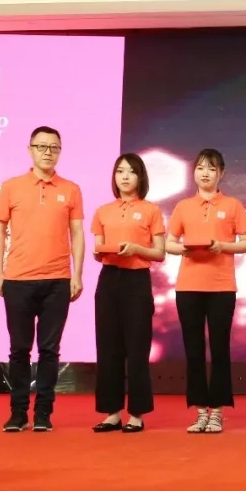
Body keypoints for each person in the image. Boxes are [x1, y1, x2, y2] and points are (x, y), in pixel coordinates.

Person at [0, 126, 85, 433]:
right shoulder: (11, 187)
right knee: (19, 349)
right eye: (42, 146)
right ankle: (18, 412)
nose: (48, 152)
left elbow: (77, 234)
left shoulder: (71, 189)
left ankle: (43, 412)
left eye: (54, 147)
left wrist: (77, 274)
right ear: (30, 149)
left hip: (57, 280)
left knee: (49, 350)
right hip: (18, 280)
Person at [165, 149, 246, 434]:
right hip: (188, 286)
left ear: (221, 173)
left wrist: (221, 246)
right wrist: (186, 249)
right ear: (194, 172)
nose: (205, 173)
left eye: (211, 169)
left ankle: (217, 412)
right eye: (201, 168)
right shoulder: (183, 207)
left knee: (219, 348)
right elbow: (168, 243)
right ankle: (200, 411)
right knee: (193, 350)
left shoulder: (233, 205)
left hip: (221, 287)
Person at [90, 153, 166, 433]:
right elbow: (98, 250)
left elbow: (159, 252)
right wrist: (103, 251)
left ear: (140, 177)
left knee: (136, 347)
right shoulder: (103, 211)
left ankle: (136, 413)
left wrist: (136, 249)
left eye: (131, 172)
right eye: (120, 171)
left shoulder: (150, 210)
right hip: (109, 279)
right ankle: (111, 413)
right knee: (108, 346)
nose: (124, 176)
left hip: (137, 280)